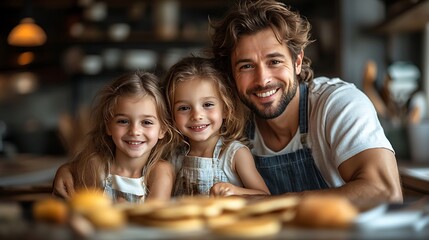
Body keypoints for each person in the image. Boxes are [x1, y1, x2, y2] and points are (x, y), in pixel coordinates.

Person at [209, 0, 402, 203]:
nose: (263, 80)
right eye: (247, 66)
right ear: (231, 73)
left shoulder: (338, 104)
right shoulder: (229, 123)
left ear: (297, 62)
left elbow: (385, 192)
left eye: (274, 61)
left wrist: (270, 203)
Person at [54, 71, 175, 203]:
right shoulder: (96, 166)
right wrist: (63, 170)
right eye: (123, 121)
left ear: (163, 129)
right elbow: (86, 210)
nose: (134, 131)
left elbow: (155, 214)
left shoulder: (160, 172)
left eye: (146, 122)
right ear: (108, 126)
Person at [163, 56, 270, 197]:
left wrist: (235, 191)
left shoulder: (234, 154)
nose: (197, 115)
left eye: (207, 105)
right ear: (171, 113)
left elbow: (264, 196)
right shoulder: (175, 157)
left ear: (226, 109)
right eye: (184, 108)